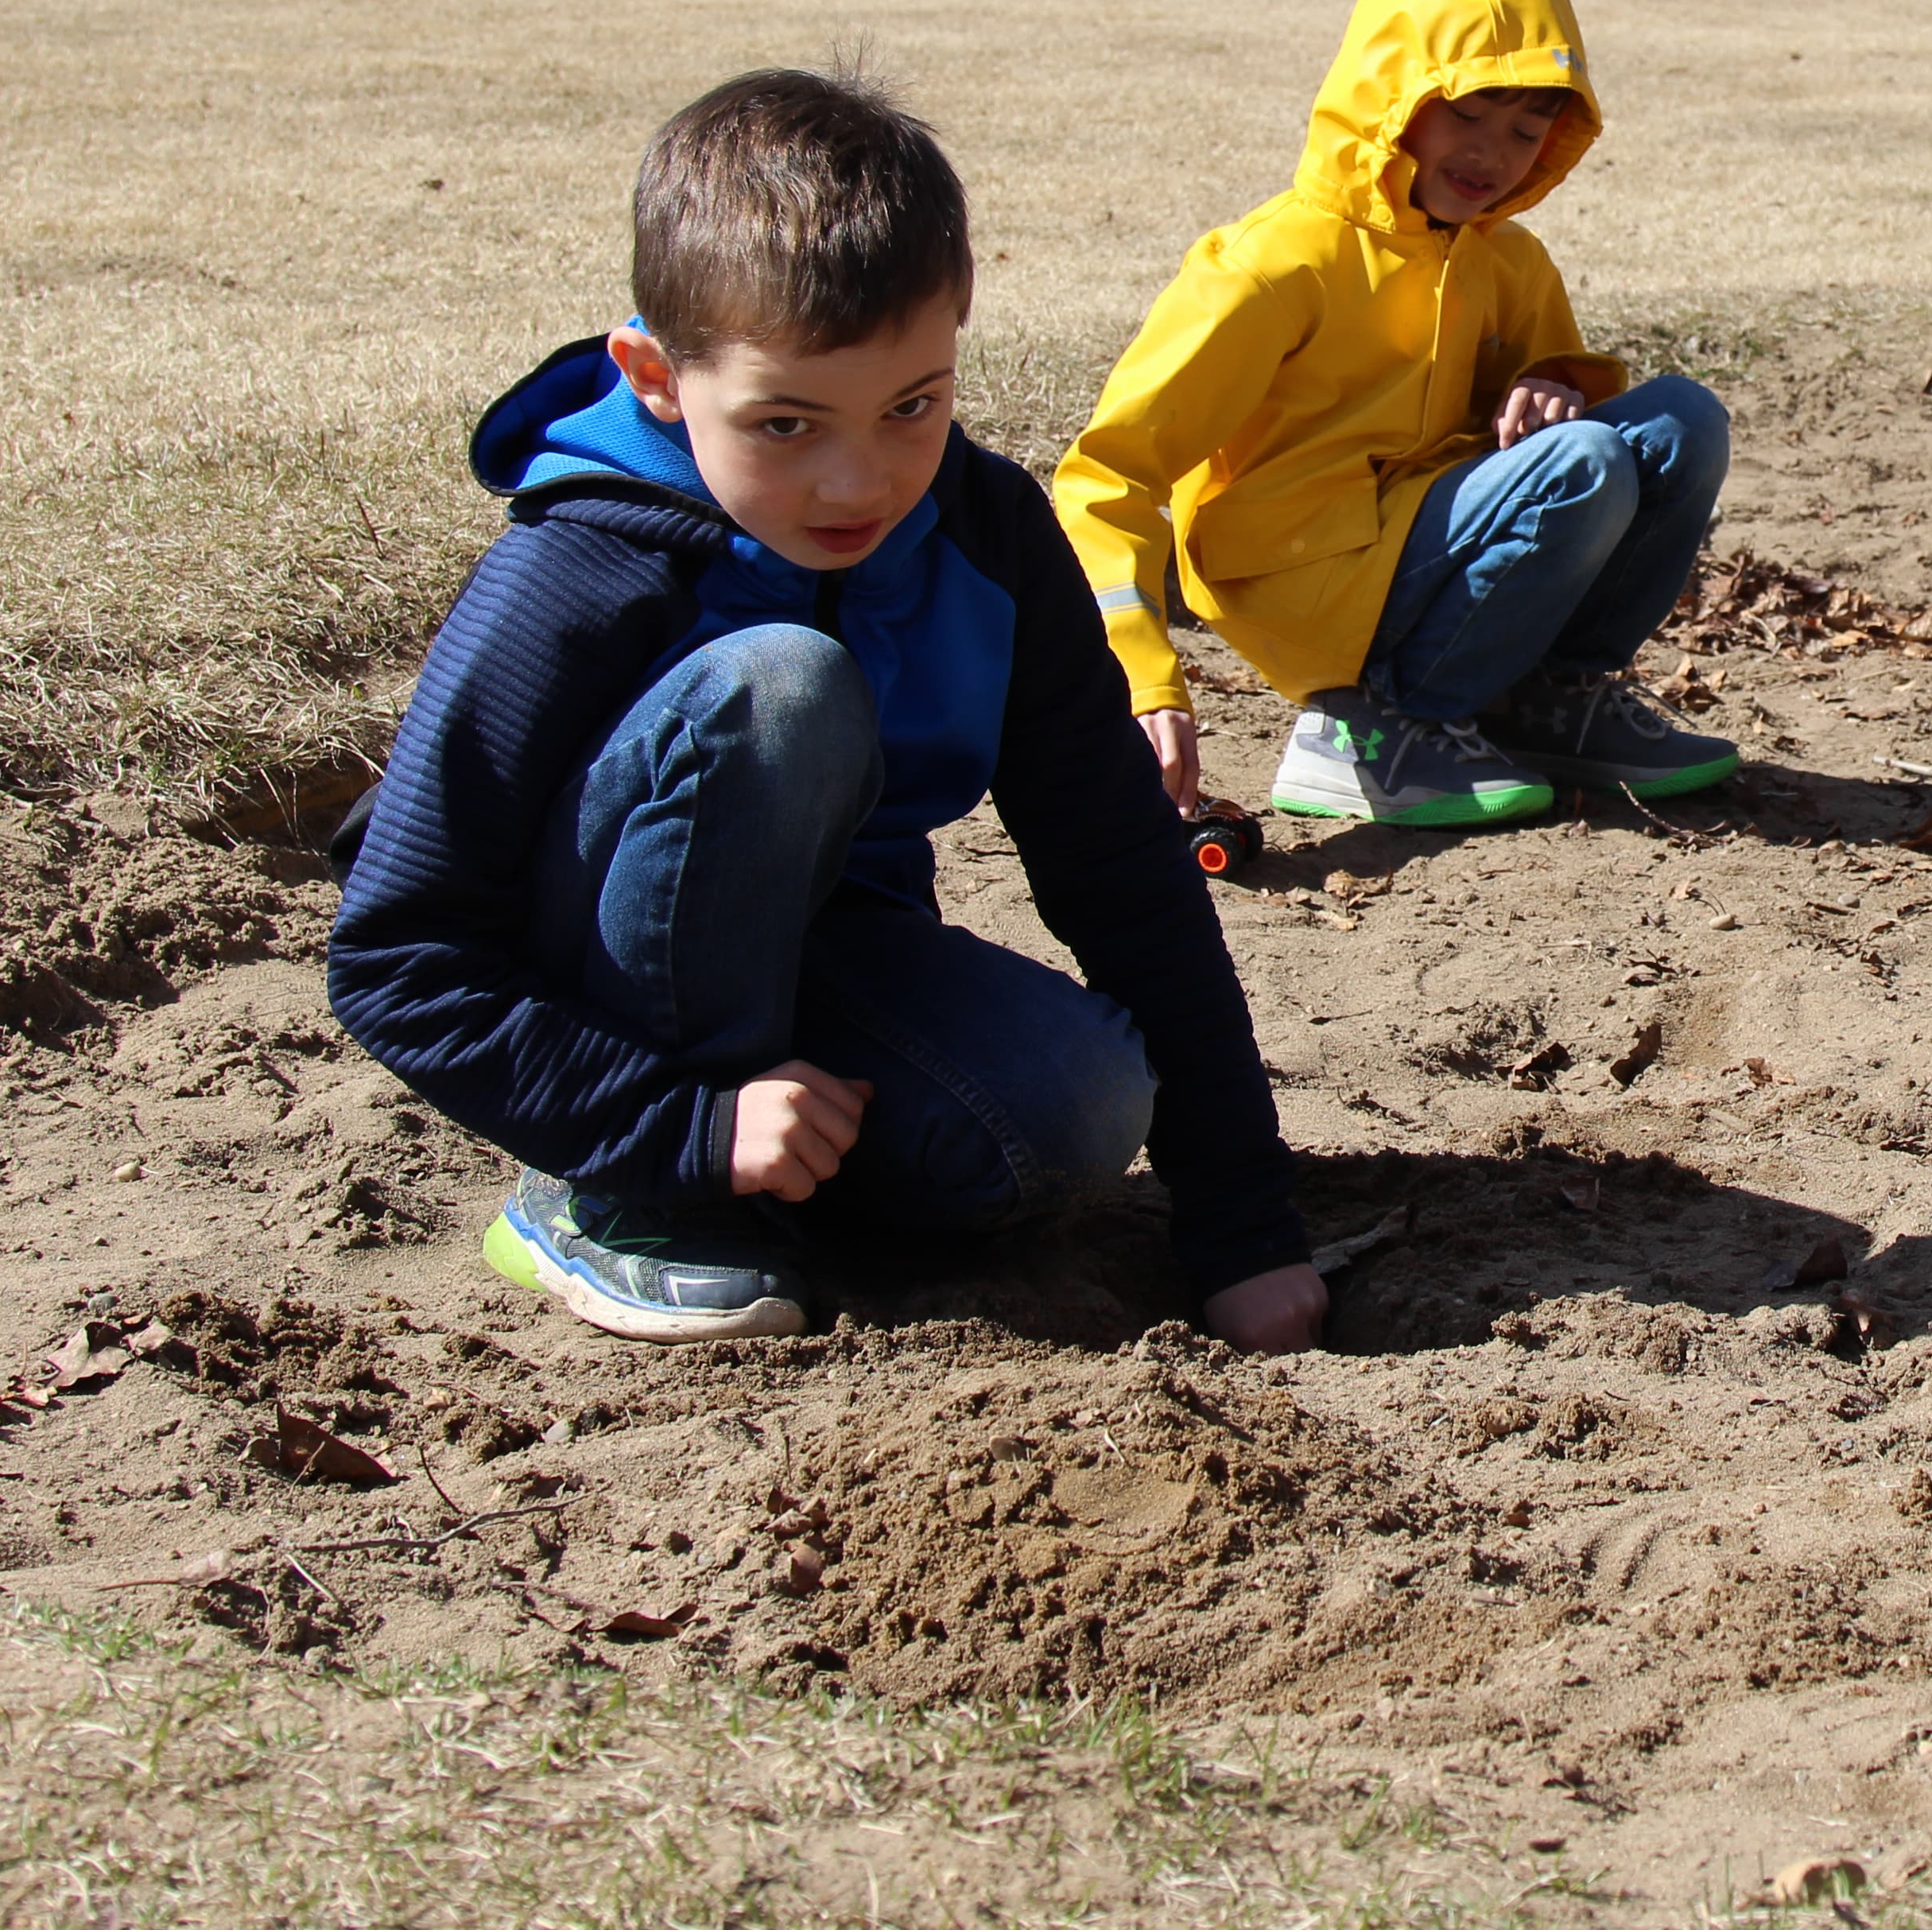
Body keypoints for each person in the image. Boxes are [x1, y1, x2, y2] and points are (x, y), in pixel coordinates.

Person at [328, 71, 1321, 1351]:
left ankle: (772, 1161)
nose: (860, 483)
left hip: (828, 951)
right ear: (655, 376)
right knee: (782, 685)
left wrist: (1242, 1225)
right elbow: (396, 955)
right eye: (786, 423)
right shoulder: (579, 565)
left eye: (913, 406)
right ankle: (619, 1201)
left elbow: (1124, 873)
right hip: (582, 993)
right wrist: (674, 1129)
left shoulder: (985, 535)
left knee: (1073, 1112)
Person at [1055, 0, 1734, 832]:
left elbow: (1574, 443)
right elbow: (1107, 474)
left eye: (1527, 130)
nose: (1493, 154)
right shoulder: (1271, 266)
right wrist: (1141, 677)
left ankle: (1543, 701)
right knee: (1585, 464)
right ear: (1391, 90)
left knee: (1684, 419)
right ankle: (1366, 727)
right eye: (1467, 114)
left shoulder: (1508, 261)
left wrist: (1554, 386)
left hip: (1417, 540)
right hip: (1301, 579)